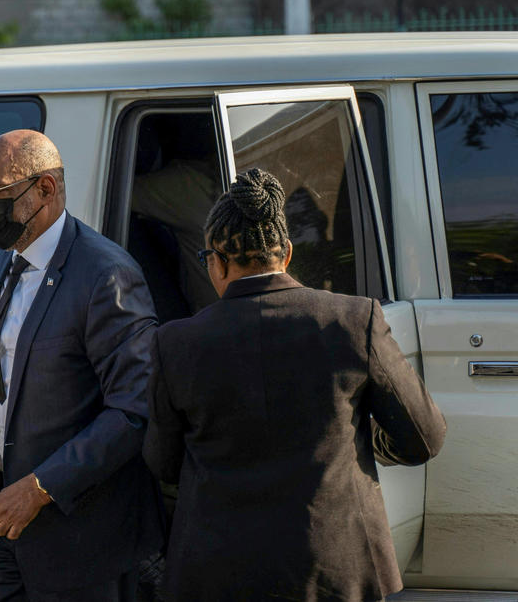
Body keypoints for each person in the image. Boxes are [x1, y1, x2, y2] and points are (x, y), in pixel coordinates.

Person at [143, 168, 447, 601]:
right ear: (285, 252)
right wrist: (353, 436)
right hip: (334, 570)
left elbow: (164, 464)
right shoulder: (354, 320)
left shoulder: (175, 343)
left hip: (217, 574)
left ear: (217, 261)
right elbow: (424, 439)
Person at [0, 129, 163, 600]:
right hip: (1, 530)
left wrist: (40, 488)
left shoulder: (107, 275)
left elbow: (133, 411)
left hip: (80, 542)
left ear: (45, 189)